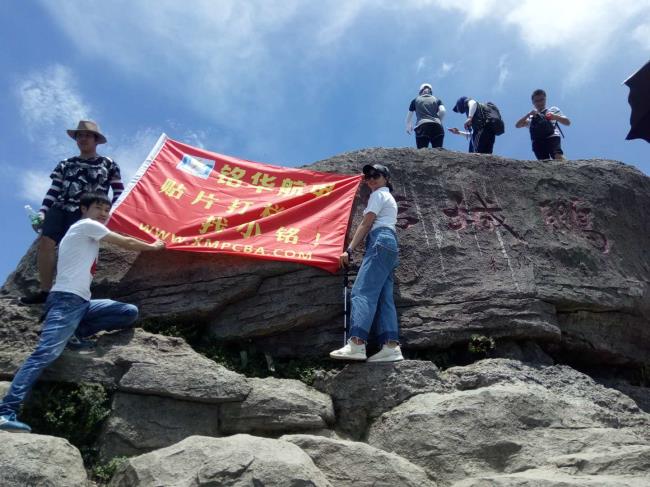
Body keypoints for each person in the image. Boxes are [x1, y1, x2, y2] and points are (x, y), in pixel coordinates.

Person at [0, 192, 165, 432]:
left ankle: (74, 334)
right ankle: (5, 411)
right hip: (65, 301)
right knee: (43, 355)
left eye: (106, 210)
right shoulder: (86, 225)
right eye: (98, 208)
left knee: (128, 312)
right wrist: (153, 246)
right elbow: (126, 242)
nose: (103, 214)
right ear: (84, 209)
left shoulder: (89, 232)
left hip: (83, 303)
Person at [21, 120, 125, 304]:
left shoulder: (108, 164)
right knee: (46, 242)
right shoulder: (66, 163)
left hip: (88, 212)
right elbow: (54, 190)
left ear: (96, 140)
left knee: (78, 253)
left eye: (87, 135)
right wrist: (43, 211)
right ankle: (45, 291)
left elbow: (118, 191)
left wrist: (110, 213)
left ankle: (69, 295)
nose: (83, 139)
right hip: (60, 207)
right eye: (79, 136)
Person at [330, 163, 403, 363]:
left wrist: (349, 249)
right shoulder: (387, 197)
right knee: (384, 297)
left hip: (380, 242)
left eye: (376, 175)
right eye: (367, 177)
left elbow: (366, 222)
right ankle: (391, 347)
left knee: (362, 292)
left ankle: (357, 344)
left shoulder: (378, 195)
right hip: (389, 245)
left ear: (386, 178)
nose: (371, 179)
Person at [515, 89, 571, 160]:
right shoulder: (531, 117)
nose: (539, 103)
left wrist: (554, 116)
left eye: (542, 100)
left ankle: (565, 166)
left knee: (557, 155)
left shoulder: (552, 110)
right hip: (537, 141)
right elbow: (517, 125)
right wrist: (528, 114)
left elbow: (567, 122)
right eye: (536, 101)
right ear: (533, 102)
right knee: (544, 162)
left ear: (545, 99)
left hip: (552, 136)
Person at [406, 83, 446, 149]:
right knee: (438, 150)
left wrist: (408, 125)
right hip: (437, 126)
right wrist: (439, 121)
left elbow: (409, 116)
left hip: (422, 126)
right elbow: (443, 111)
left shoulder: (415, 100)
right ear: (430, 91)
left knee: (422, 150)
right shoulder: (437, 99)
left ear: (420, 91)